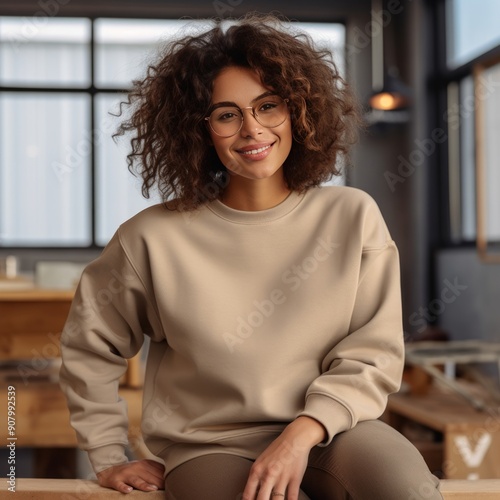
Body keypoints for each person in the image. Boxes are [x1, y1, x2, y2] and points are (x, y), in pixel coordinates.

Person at [59, 13, 443, 500]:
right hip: (210, 445)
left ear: (299, 111)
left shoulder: (352, 215)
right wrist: (110, 455)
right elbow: (89, 348)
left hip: (335, 432)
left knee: (409, 491)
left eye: (268, 106)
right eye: (226, 114)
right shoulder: (149, 238)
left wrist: (301, 433)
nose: (252, 129)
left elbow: (374, 351)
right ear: (197, 130)